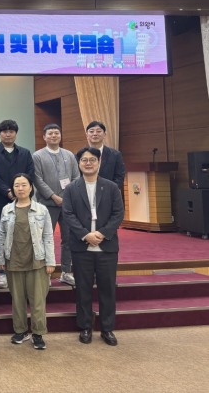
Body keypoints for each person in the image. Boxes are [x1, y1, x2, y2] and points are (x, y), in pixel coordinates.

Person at [63, 147, 124, 347]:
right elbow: (68, 214)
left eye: (92, 160)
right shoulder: (71, 188)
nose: (88, 163)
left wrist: (102, 233)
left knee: (108, 289)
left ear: (99, 162)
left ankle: (107, 328)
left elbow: (118, 213)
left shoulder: (111, 187)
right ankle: (85, 327)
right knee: (83, 289)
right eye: (84, 160)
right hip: (82, 248)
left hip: (107, 246)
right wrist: (85, 235)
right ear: (79, 163)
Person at [0, 173, 55, 350]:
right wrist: (1, 258)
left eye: (24, 185)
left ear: (31, 187)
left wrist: (50, 261)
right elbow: (2, 235)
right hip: (13, 260)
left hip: (37, 261)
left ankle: (38, 333)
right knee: (18, 300)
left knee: (37, 301)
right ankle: (20, 331)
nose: (20, 188)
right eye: (17, 185)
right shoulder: (6, 210)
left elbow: (48, 236)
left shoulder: (41, 210)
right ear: (12, 189)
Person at [0, 119, 35, 290]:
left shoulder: (25, 153)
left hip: (23, 200)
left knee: (23, 234)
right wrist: (8, 191)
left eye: (11, 131)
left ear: (16, 133)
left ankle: (22, 270)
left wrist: (20, 191)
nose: (8, 134)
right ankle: (2, 273)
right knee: (1, 235)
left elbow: (30, 173)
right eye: (4, 131)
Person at [32, 123, 79, 286]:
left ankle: (66, 272)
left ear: (60, 135)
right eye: (50, 133)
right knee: (45, 238)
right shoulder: (37, 156)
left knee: (68, 238)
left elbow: (76, 177)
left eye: (56, 133)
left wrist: (67, 197)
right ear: (44, 137)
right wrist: (53, 196)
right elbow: (37, 179)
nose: (53, 136)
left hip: (68, 204)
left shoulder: (69, 155)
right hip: (47, 204)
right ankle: (44, 273)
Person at [85, 121, 126, 189]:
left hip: (109, 193)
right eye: (91, 131)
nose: (95, 134)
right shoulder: (80, 156)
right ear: (87, 135)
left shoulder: (115, 155)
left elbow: (119, 177)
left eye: (98, 131)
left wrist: (110, 192)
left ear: (104, 134)